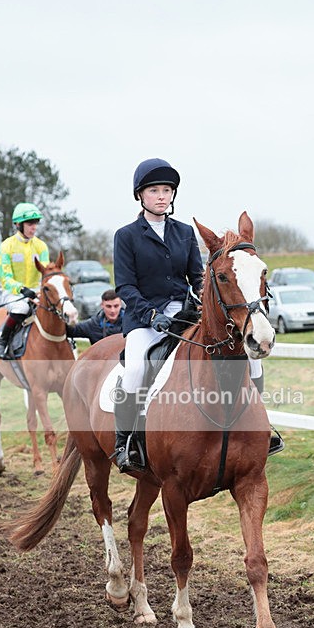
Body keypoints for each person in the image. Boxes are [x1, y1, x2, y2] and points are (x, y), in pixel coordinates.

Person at [113, 157, 204, 470]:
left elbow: (198, 277)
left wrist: (205, 298)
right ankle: (124, 441)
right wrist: (152, 316)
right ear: (141, 195)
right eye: (154, 190)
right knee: (137, 370)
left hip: (184, 315)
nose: (162, 196)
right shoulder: (126, 236)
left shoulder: (185, 233)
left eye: (167, 190)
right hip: (144, 320)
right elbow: (125, 287)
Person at [0, 202, 49, 359]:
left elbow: (45, 273)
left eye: (36, 223)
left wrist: (40, 290)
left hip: (37, 291)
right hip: (13, 293)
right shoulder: (5, 247)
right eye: (30, 223)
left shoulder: (41, 246)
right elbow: (5, 278)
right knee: (21, 308)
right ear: (18, 224)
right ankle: (2, 341)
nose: (34, 227)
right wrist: (22, 289)